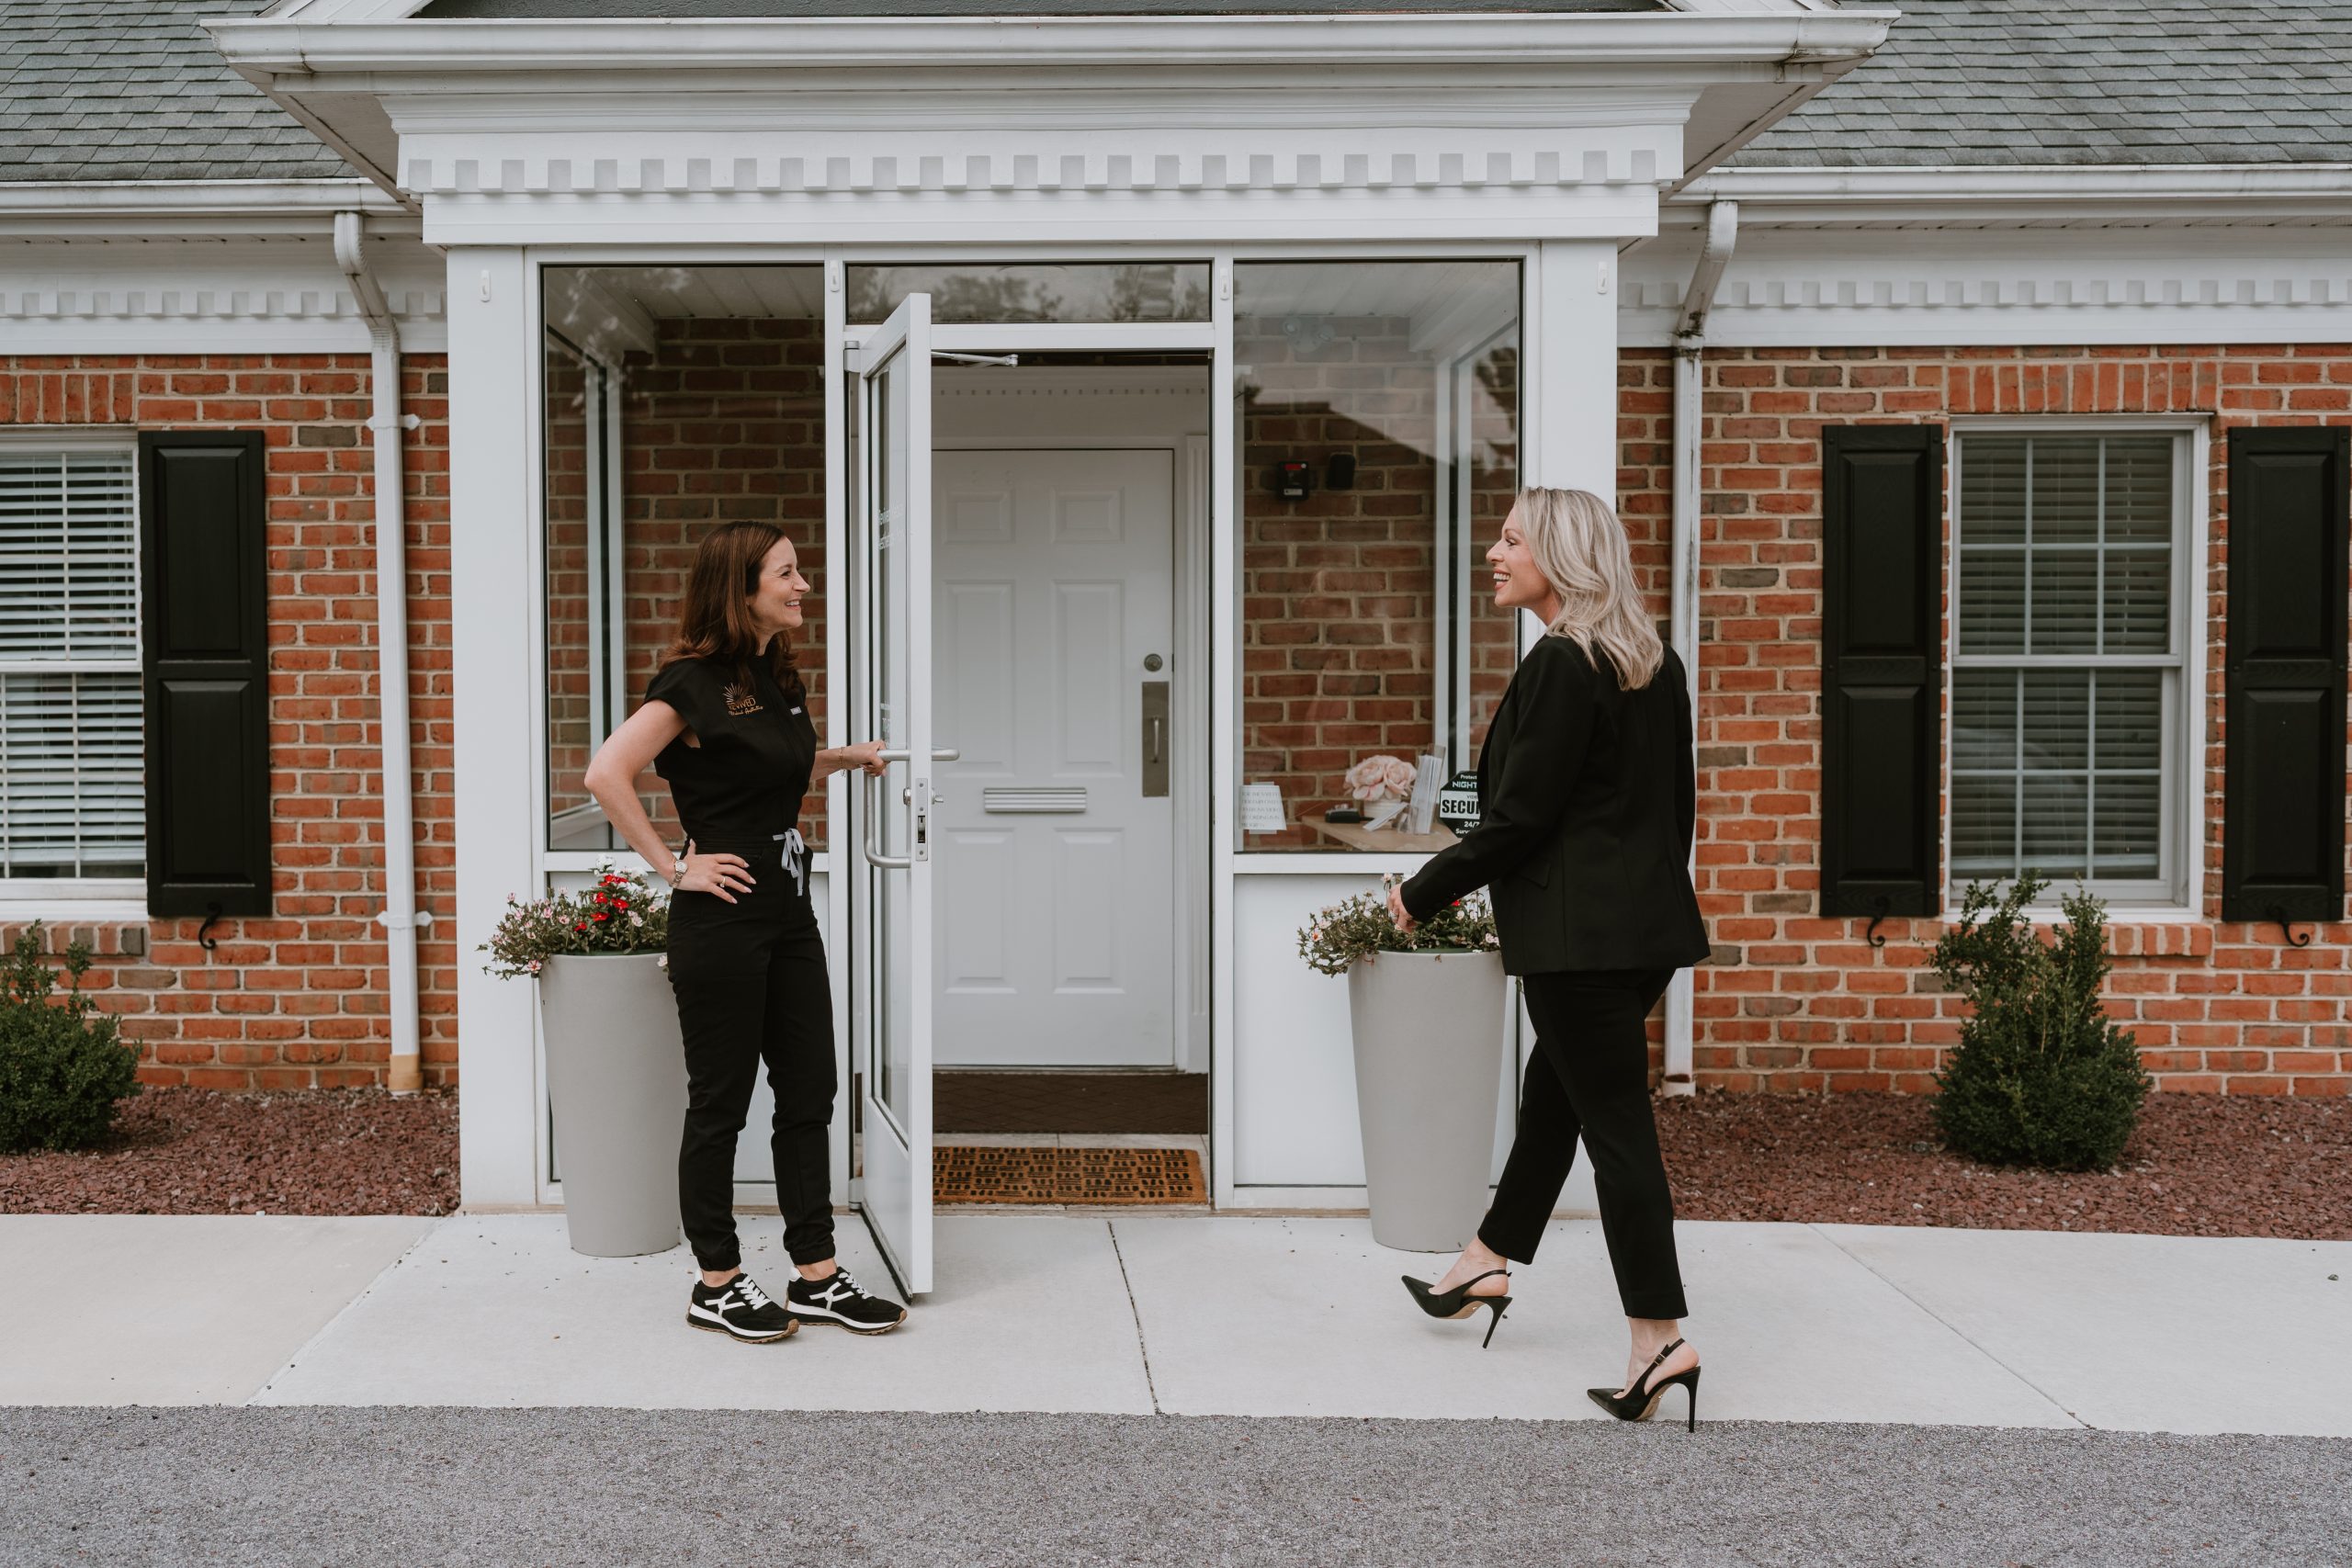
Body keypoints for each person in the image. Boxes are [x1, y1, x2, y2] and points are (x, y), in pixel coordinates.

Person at [1388, 487, 1712, 1429]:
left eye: (1510, 539)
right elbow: (1670, 818)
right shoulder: (1653, 664)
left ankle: (1658, 1341)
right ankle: (1483, 1262)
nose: (1492, 552)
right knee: (1554, 1101)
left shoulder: (1563, 666)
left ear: (1560, 558)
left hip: (1579, 944)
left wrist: (1419, 892)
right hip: (1640, 932)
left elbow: (1520, 819)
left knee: (1615, 1132)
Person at [585, 520, 908, 1343]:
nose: (803, 586)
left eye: (800, 572)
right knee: (720, 1102)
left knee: (809, 1089)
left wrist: (843, 757)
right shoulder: (689, 682)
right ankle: (718, 1280)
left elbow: (772, 762)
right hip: (720, 916)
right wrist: (672, 865)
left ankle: (816, 1275)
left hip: (787, 908)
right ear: (742, 588)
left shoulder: (777, 679)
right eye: (788, 573)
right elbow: (605, 772)